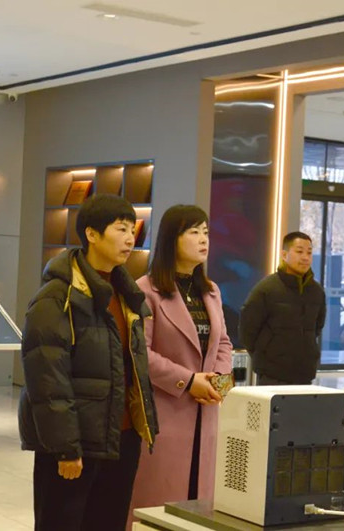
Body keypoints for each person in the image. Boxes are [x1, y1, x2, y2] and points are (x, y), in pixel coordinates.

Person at [18, 194, 158, 531]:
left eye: (132, 229)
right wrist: (66, 448)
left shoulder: (126, 292)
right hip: (76, 443)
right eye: (120, 229)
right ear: (92, 234)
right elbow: (47, 378)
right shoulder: (58, 296)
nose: (130, 238)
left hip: (121, 437)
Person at [129, 205, 233, 524]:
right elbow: (140, 352)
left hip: (207, 411)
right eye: (194, 232)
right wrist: (188, 381)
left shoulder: (210, 291)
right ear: (172, 239)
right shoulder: (145, 290)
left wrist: (218, 381)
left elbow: (223, 343)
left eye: (206, 232)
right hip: (165, 412)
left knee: (200, 505)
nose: (204, 239)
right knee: (160, 504)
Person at [239, 231, 326, 385]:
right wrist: (264, 354)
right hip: (271, 375)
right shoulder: (266, 289)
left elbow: (316, 328)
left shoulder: (317, 291)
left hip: (305, 374)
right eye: (299, 251)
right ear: (284, 255)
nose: (305, 257)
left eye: (309, 253)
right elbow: (247, 330)